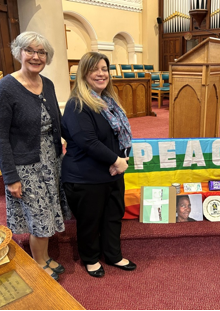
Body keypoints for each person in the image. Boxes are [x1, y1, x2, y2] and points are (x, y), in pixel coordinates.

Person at [0, 31, 70, 281]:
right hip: (26, 165)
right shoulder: (5, 88)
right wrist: (10, 177)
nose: (36, 56)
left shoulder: (48, 83)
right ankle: (39, 263)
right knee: (40, 216)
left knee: (48, 210)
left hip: (51, 159)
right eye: (30, 51)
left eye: (41, 52)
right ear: (19, 53)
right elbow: (0, 137)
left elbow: (55, 119)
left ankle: (45, 257)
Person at [61, 52, 136, 278]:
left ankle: (112, 254)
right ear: (83, 73)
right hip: (86, 177)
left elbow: (122, 136)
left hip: (112, 172)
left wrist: (122, 161)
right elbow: (88, 142)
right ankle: (91, 258)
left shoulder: (109, 101)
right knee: (90, 221)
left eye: (104, 69)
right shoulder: (77, 104)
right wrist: (116, 161)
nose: (101, 74)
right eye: (95, 69)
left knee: (114, 215)